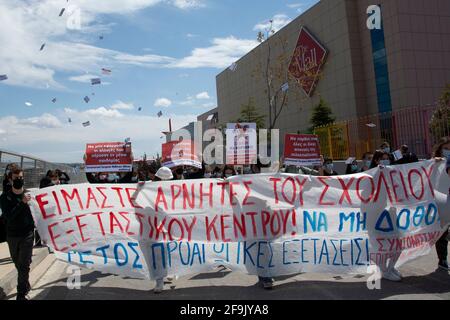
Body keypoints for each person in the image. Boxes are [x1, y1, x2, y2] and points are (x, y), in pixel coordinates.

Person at [0, 166, 35, 300]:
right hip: (12, 235)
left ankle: (21, 294)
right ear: (10, 179)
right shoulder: (5, 197)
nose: (19, 180)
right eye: (16, 178)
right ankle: (25, 283)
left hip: (27, 234)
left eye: (21, 177)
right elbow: (9, 216)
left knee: (24, 264)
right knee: (17, 263)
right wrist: (22, 203)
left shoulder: (29, 194)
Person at [433, 137, 450, 270]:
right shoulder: (433, 163)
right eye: (446, 149)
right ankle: (442, 259)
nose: (448, 151)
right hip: (441, 202)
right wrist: (433, 163)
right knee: (442, 232)